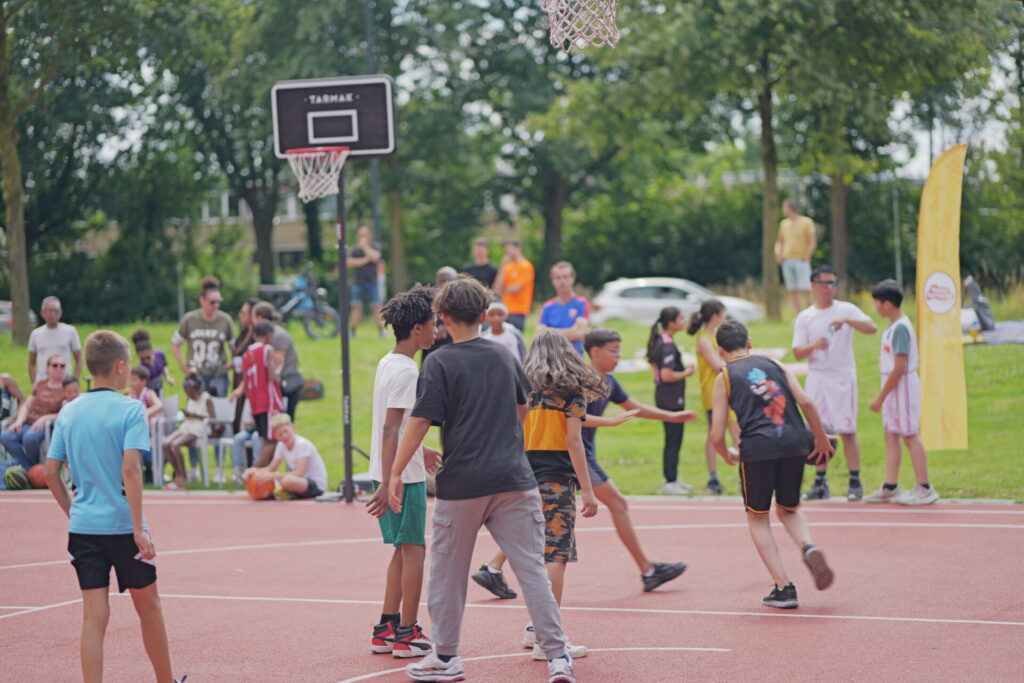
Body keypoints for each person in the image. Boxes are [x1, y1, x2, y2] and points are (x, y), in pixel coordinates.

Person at [385, 276, 576, 683]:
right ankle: (558, 657)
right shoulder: (503, 356)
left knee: (447, 575)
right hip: (514, 476)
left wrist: (396, 472)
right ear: (485, 313)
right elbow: (522, 408)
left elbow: (419, 420)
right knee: (532, 571)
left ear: (444, 316)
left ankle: (447, 657)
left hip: (463, 482)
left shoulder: (438, 361)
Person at [472, 327, 696, 601]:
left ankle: (495, 569)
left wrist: (666, 417)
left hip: (529, 469)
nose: (618, 355)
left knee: (537, 529)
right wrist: (587, 490)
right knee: (558, 547)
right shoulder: (573, 386)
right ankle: (645, 572)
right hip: (567, 461)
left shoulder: (534, 388)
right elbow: (573, 433)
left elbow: (567, 417)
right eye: (614, 350)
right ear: (592, 352)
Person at [42, 330, 182, 683]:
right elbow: (131, 470)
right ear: (120, 367)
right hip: (121, 525)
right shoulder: (131, 409)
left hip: (84, 526)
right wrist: (139, 528)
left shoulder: (69, 411)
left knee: (93, 617)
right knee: (149, 608)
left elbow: (50, 472)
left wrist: (73, 511)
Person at [710, 320, 835, 609]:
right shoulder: (776, 364)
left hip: (757, 449)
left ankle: (784, 587)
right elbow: (806, 403)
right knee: (788, 508)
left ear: (720, 351)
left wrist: (726, 453)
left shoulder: (725, 377)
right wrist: (819, 440)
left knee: (758, 517)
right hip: (794, 443)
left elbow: (716, 434)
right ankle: (807, 545)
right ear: (750, 342)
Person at [365, 286, 440, 659]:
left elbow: (394, 424)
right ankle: (407, 632)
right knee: (415, 551)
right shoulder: (408, 371)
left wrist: (421, 449)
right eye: (432, 324)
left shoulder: (388, 362)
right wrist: (392, 478)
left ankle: (386, 626)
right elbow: (391, 429)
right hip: (401, 477)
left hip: (392, 470)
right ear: (415, 329)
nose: (437, 331)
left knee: (401, 549)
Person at [517, 329, 602, 660]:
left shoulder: (524, 389)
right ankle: (547, 639)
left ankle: (534, 628)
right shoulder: (571, 391)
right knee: (556, 556)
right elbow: (574, 441)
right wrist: (589, 491)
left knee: (535, 555)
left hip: (523, 478)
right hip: (555, 479)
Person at [792, 265, 877, 501]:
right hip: (818, 376)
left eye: (833, 283)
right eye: (825, 283)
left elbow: (872, 327)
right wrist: (814, 346)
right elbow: (798, 352)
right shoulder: (806, 316)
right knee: (818, 430)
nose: (830, 288)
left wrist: (848, 321)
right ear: (814, 285)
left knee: (847, 431)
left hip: (842, 376)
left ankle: (855, 480)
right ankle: (820, 482)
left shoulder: (846, 309)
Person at [865, 280, 939, 506]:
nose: (876, 307)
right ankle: (890, 486)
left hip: (902, 386)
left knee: (909, 434)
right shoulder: (892, 327)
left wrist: (880, 397)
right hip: (893, 385)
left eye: (877, 303)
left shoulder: (901, 329)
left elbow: (899, 366)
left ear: (887, 304)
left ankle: (925, 487)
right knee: (891, 434)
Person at [688, 299, 741, 494]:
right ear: (715, 316)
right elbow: (717, 365)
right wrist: (739, 363)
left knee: (737, 432)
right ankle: (713, 478)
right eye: (722, 314)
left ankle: (744, 475)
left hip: (728, 390)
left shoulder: (716, 337)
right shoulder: (703, 339)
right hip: (714, 393)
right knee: (716, 434)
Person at [646, 307, 696, 494]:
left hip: (668, 396)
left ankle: (673, 478)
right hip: (669, 397)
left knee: (674, 438)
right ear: (672, 323)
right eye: (681, 318)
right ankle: (670, 481)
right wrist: (687, 373)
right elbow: (666, 375)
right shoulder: (666, 344)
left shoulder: (662, 341)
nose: (684, 321)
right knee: (673, 439)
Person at [230, 321, 284, 486]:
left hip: (255, 403)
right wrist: (280, 367)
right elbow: (272, 376)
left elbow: (245, 380)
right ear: (268, 336)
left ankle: (262, 475)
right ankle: (251, 473)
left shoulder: (247, 353)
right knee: (272, 440)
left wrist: (239, 391)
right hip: (268, 401)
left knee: (266, 439)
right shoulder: (267, 349)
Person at [170, 276, 234, 397]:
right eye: (212, 302)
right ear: (202, 300)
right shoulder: (190, 319)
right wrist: (184, 368)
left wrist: (229, 365)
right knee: (196, 411)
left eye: (219, 301)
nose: (216, 305)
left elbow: (234, 347)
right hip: (196, 375)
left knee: (219, 411)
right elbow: (175, 344)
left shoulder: (225, 320)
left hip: (219, 375)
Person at [1, 354, 67, 470]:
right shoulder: (40, 385)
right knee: (6, 436)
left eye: (62, 366)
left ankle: (30, 469)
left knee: (29, 438)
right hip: (28, 422)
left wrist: (44, 418)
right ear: (48, 368)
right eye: (55, 365)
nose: (58, 368)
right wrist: (19, 422)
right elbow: (26, 405)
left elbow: (66, 412)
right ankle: (29, 467)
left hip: (45, 426)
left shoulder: (66, 388)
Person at [244, 413, 328, 500]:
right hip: (299, 481)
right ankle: (287, 492)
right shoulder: (281, 445)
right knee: (273, 477)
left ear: (293, 428)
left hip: (315, 484)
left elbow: (299, 473)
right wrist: (255, 471)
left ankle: (290, 492)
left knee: (286, 481)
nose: (284, 436)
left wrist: (272, 476)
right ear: (275, 436)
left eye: (286, 431)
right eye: (280, 434)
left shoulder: (302, 445)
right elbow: (271, 468)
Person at [251, 302, 304, 425]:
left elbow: (278, 363)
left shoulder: (277, 335)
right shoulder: (267, 334)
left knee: (283, 423)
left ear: (259, 317)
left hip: (286, 384)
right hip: (274, 385)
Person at [161, 374, 213, 489]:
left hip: (199, 428)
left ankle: (182, 477)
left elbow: (213, 417)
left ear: (198, 390)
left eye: (191, 393)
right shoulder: (190, 399)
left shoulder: (206, 398)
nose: (190, 395)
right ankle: (177, 472)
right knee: (165, 444)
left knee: (175, 445)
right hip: (187, 425)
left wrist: (196, 415)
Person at [538, 261, 589, 355]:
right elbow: (540, 334)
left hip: (574, 356)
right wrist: (569, 332)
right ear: (552, 281)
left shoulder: (581, 303)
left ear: (572, 278)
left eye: (565, 277)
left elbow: (579, 333)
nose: (562, 281)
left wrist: (550, 333)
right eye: (558, 278)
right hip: (552, 356)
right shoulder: (548, 306)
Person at [774, 199, 817, 312]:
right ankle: (798, 316)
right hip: (787, 260)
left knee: (806, 289)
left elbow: (812, 241)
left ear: (791, 208)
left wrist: (807, 255)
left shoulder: (806, 222)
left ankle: (810, 314)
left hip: (801, 260)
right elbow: (780, 241)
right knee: (793, 290)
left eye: (784, 207)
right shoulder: (784, 223)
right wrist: (778, 253)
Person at [28, 296, 81, 382]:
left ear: (60, 313)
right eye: (48, 311)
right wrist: (35, 384)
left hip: (64, 381)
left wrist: (73, 380)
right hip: (43, 381)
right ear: (42, 313)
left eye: (55, 311)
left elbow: (78, 359)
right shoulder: (36, 334)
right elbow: (31, 364)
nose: (52, 314)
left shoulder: (70, 331)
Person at [230, 297, 261, 432]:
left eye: (244, 313)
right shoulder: (243, 334)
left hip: (250, 384)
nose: (240, 315)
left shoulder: (256, 336)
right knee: (237, 419)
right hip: (238, 380)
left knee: (246, 420)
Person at [347, 225, 384, 337]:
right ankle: (352, 331)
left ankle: (381, 331)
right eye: (362, 235)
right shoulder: (354, 249)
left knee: (376, 306)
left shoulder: (375, 246)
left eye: (365, 235)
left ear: (369, 236)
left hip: (373, 282)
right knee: (356, 306)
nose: (364, 237)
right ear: (358, 236)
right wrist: (367, 259)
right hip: (358, 282)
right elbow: (350, 263)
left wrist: (365, 248)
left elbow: (376, 257)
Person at [494, 239, 534, 332]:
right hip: (505, 309)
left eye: (510, 248)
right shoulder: (507, 267)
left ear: (518, 248)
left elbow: (516, 289)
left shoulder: (526, 266)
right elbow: (497, 289)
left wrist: (503, 289)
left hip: (518, 310)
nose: (507, 251)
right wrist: (502, 266)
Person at [420, 267, 457, 362]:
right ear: (436, 282)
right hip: (431, 358)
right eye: (442, 281)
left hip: (455, 357)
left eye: (449, 281)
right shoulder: (426, 304)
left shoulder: (462, 305)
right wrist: (434, 335)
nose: (445, 285)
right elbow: (414, 337)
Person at [132, 329, 174, 397]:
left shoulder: (160, 354)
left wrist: (167, 377)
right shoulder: (141, 367)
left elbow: (163, 367)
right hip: (149, 392)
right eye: (142, 359)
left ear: (152, 350)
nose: (146, 361)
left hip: (159, 386)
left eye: (148, 357)